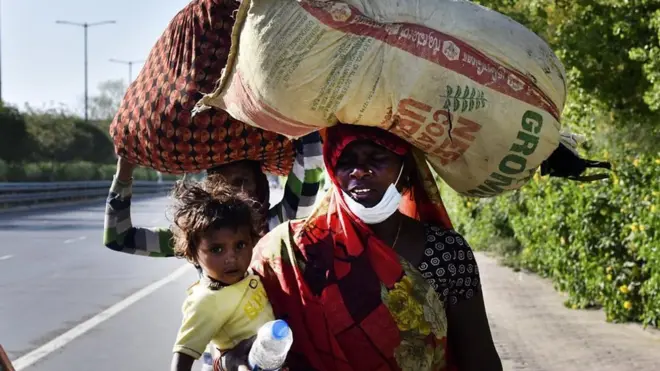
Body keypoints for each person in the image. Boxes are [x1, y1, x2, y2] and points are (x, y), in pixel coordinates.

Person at [224, 124, 502, 371]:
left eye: (377, 157)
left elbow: (479, 358)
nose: (359, 170)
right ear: (332, 172)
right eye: (345, 161)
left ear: (406, 171)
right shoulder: (289, 251)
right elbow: (235, 341)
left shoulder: (446, 252)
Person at [103, 133, 323, 371]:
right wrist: (125, 171)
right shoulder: (197, 236)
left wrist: (305, 128)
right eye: (223, 183)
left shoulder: (274, 225)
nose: (233, 191)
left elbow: (308, 180)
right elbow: (119, 238)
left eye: (242, 182)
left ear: (259, 186)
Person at [168, 177, 275, 371]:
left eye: (240, 245)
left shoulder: (248, 275)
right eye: (217, 250)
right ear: (192, 254)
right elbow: (182, 359)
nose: (231, 258)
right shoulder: (205, 301)